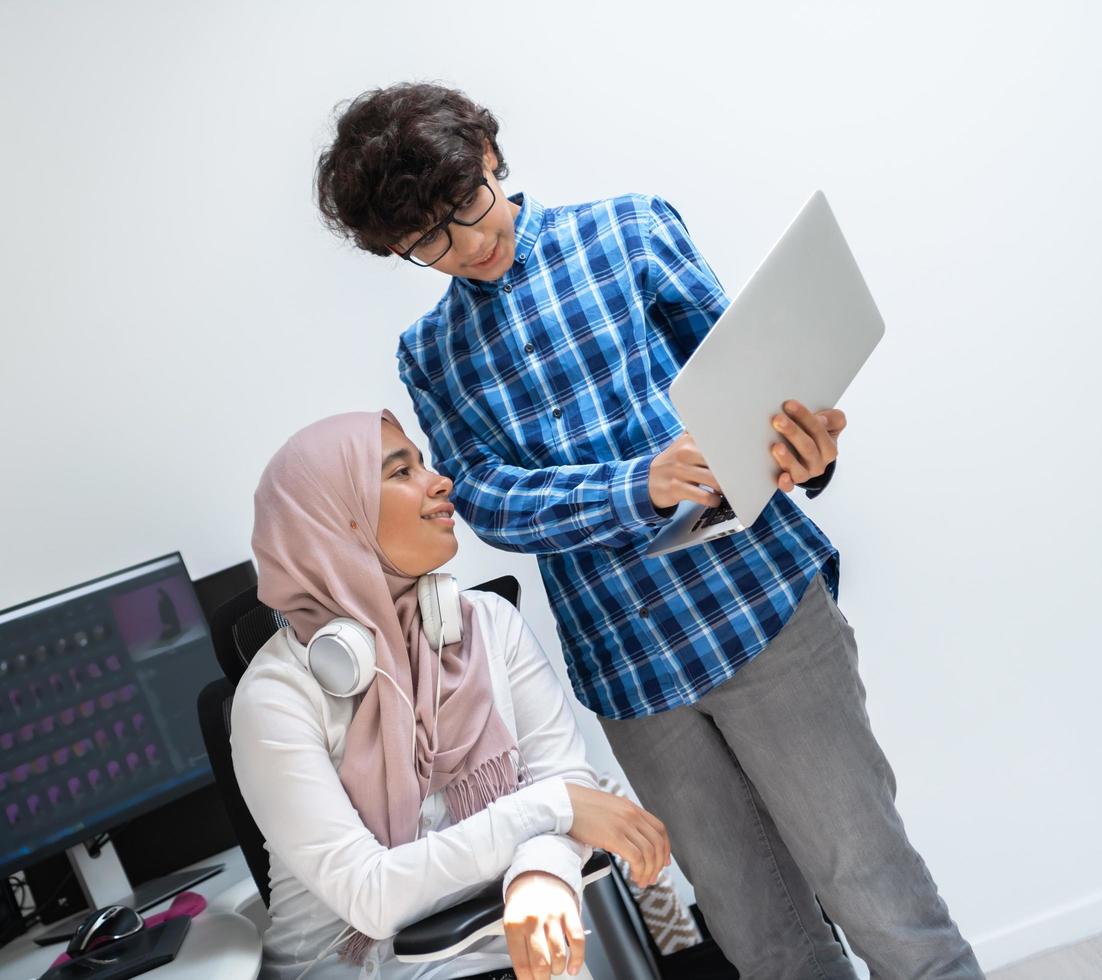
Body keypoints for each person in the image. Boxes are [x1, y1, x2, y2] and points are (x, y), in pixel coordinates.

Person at [312, 83, 983, 979]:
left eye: (469, 203)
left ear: (491, 156)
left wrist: (803, 448)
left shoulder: (628, 232)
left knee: (885, 904)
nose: (469, 244)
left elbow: (762, 390)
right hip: (633, 673)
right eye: (428, 241)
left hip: (762, 611)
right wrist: (637, 485)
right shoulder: (429, 354)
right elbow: (487, 499)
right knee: (765, 946)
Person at [230, 409, 670, 980]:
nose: (441, 481)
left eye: (424, 462)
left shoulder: (487, 624)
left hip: (503, 934)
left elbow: (570, 789)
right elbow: (373, 897)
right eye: (400, 472)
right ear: (344, 521)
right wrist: (549, 809)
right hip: (356, 965)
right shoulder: (275, 697)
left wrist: (539, 873)